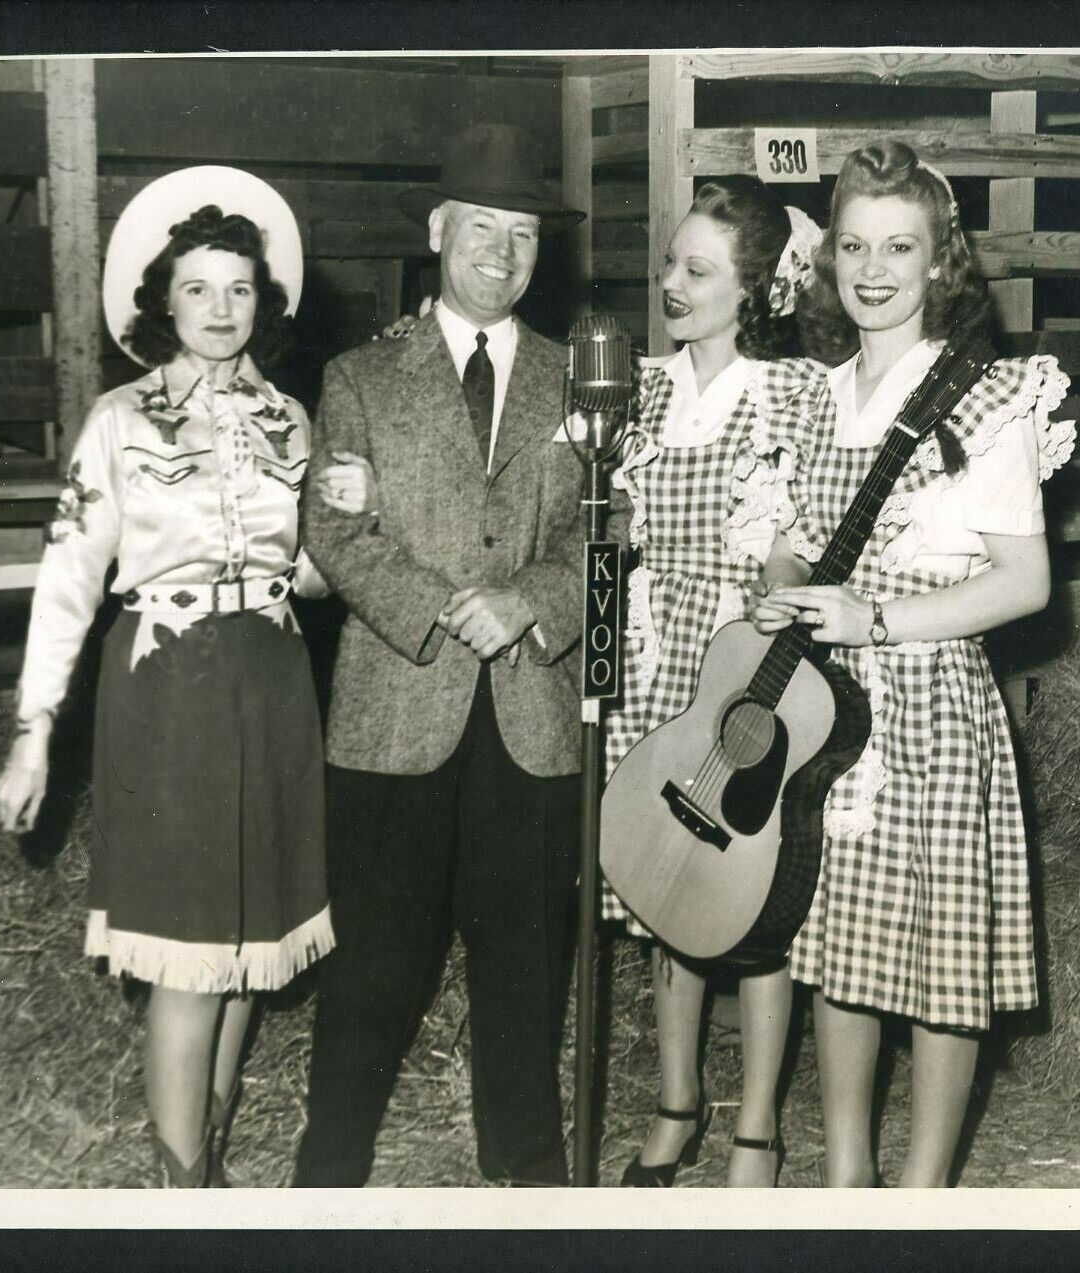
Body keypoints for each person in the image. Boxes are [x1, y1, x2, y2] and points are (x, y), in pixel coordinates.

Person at [0, 167, 373, 1187]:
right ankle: (184, 1187)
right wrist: (34, 727)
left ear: (265, 301)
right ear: (162, 300)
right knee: (187, 945)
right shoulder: (119, 420)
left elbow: (311, 578)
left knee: (252, 929)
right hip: (167, 689)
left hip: (271, 679)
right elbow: (70, 574)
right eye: (198, 288)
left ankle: (208, 1120)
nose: (219, 309)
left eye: (239, 289)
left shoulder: (293, 421)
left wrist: (346, 517)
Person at [747, 141, 1075, 1187]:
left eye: (900, 246)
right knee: (839, 944)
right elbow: (791, 530)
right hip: (822, 712)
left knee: (940, 963)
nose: (873, 268)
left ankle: (925, 1195)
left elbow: (1025, 585)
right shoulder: (808, 391)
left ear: (943, 262)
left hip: (929, 702)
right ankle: (849, 1178)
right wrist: (787, 576)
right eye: (853, 245)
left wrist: (873, 616)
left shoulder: (985, 399)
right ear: (830, 257)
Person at [292, 124, 588, 1188]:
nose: (501, 254)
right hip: (393, 719)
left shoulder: (585, 381)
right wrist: (437, 608)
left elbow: (609, 531)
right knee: (370, 975)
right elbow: (335, 532)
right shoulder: (362, 377)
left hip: (530, 722)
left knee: (525, 977)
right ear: (438, 232)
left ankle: (530, 1188)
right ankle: (325, 1182)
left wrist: (529, 604)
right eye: (481, 229)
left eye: (521, 234)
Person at [600, 177, 825, 1188]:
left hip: (735, 670)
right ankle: (676, 1104)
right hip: (651, 661)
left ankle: (756, 1129)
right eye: (670, 264)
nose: (671, 283)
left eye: (697, 270)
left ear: (751, 291)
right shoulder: (638, 389)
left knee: (752, 906)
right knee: (665, 892)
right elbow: (607, 534)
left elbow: (787, 556)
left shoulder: (783, 396)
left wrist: (765, 631)